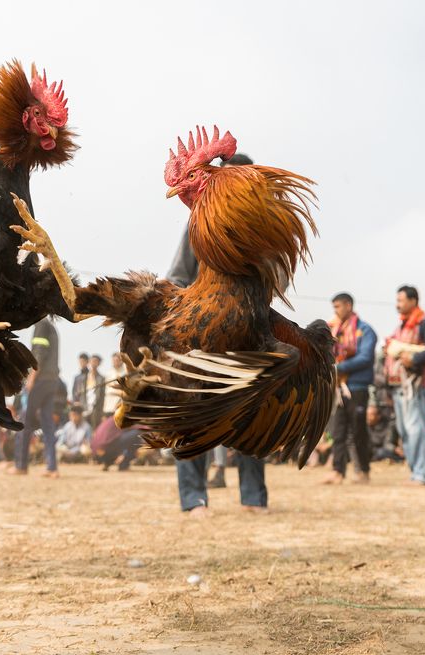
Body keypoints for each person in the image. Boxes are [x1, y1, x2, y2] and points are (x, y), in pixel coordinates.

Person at [165, 152, 268, 516]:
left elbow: (275, 278)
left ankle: (253, 497)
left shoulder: (263, 225)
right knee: (194, 415)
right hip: (203, 330)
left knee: (250, 414)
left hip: (246, 329)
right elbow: (178, 274)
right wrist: (179, 315)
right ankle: (194, 498)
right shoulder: (200, 221)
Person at [384, 285, 425, 485]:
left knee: (417, 429)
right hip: (400, 386)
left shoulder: (424, 323)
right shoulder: (401, 326)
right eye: (397, 300)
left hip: (417, 386)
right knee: (405, 430)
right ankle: (415, 472)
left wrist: (415, 358)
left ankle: (423, 475)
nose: (398, 305)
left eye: (401, 300)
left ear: (413, 301)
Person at [323, 292, 378, 484]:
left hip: (357, 386)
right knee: (338, 430)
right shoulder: (333, 331)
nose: (335, 311)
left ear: (348, 305)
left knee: (358, 430)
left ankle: (363, 471)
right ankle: (338, 471)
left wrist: (338, 368)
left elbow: (366, 358)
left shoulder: (365, 330)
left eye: (337, 306)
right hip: (338, 387)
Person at [11, 318, 61, 478]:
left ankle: (21, 465)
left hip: (40, 380)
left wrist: (31, 379)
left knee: (25, 422)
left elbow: (39, 353)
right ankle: (52, 467)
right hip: (52, 381)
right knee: (47, 425)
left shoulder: (41, 324)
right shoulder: (51, 326)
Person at [86, 354, 106, 429]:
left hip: (96, 409)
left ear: (99, 364)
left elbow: (103, 396)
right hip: (85, 408)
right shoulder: (84, 377)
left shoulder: (102, 378)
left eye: (96, 361)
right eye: (92, 361)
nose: (93, 363)